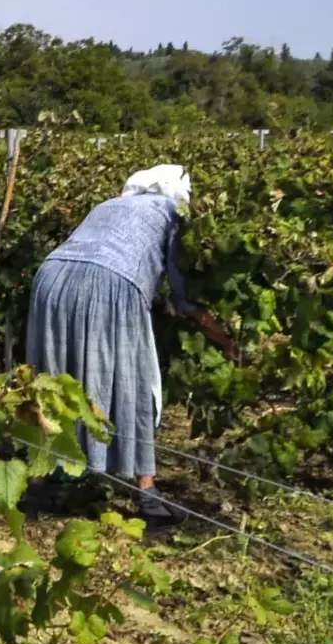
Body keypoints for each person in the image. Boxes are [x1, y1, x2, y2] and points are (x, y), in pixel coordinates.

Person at [23, 164, 227, 528]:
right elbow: (182, 298)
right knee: (130, 380)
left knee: (55, 377)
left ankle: (41, 482)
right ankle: (147, 495)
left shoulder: (108, 205)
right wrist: (224, 339)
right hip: (111, 284)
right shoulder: (173, 215)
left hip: (51, 278)